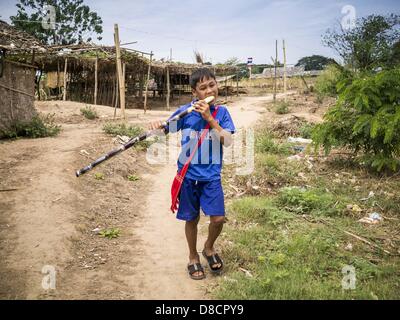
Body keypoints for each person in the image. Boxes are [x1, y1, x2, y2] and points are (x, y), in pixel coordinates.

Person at [149, 68, 236, 280]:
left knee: (218, 218)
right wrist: (156, 127)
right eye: (203, 88)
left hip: (211, 177)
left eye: (212, 85)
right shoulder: (185, 112)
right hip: (188, 177)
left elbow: (228, 140)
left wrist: (209, 118)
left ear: (217, 85)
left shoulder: (222, 113)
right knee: (192, 218)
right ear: (194, 92)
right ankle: (193, 256)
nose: (209, 90)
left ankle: (208, 247)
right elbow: (164, 131)